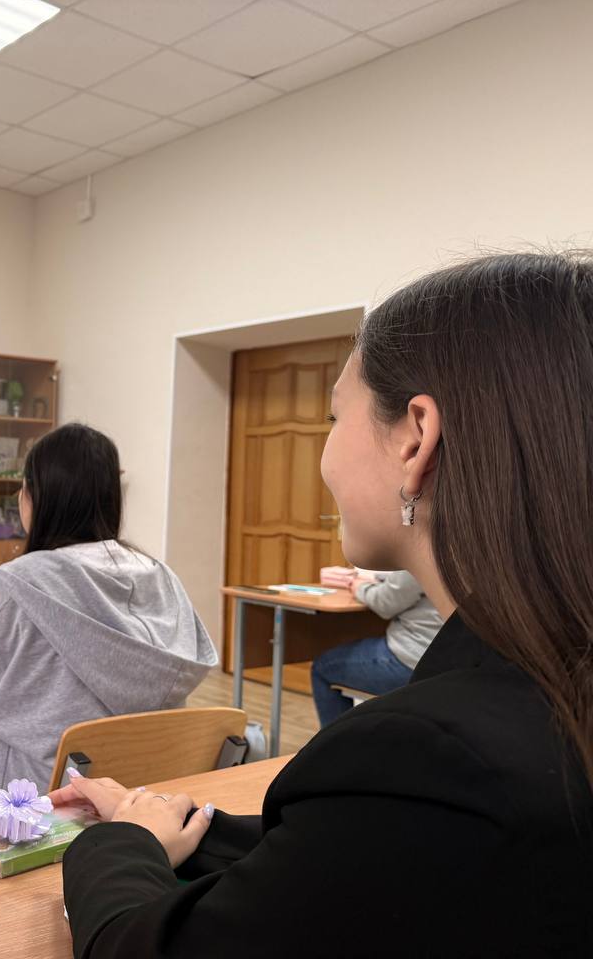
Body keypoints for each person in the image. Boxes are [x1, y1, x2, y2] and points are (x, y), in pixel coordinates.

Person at [56, 252, 593, 956]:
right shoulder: (547, 702)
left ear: (416, 438)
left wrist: (118, 843)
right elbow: (355, 860)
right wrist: (172, 821)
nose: (325, 456)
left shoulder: (429, 756)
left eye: (336, 416)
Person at [0, 423, 217, 830]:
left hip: (43, 805)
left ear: (35, 497)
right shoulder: (161, 576)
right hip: (146, 800)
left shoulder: (26, 582)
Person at [310, 569, 443, 725]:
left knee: (323, 668)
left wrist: (358, 586)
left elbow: (384, 602)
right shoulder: (461, 556)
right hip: (456, 662)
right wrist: (377, 577)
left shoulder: (424, 556)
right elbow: (406, 581)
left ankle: (338, 741)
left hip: (416, 661)